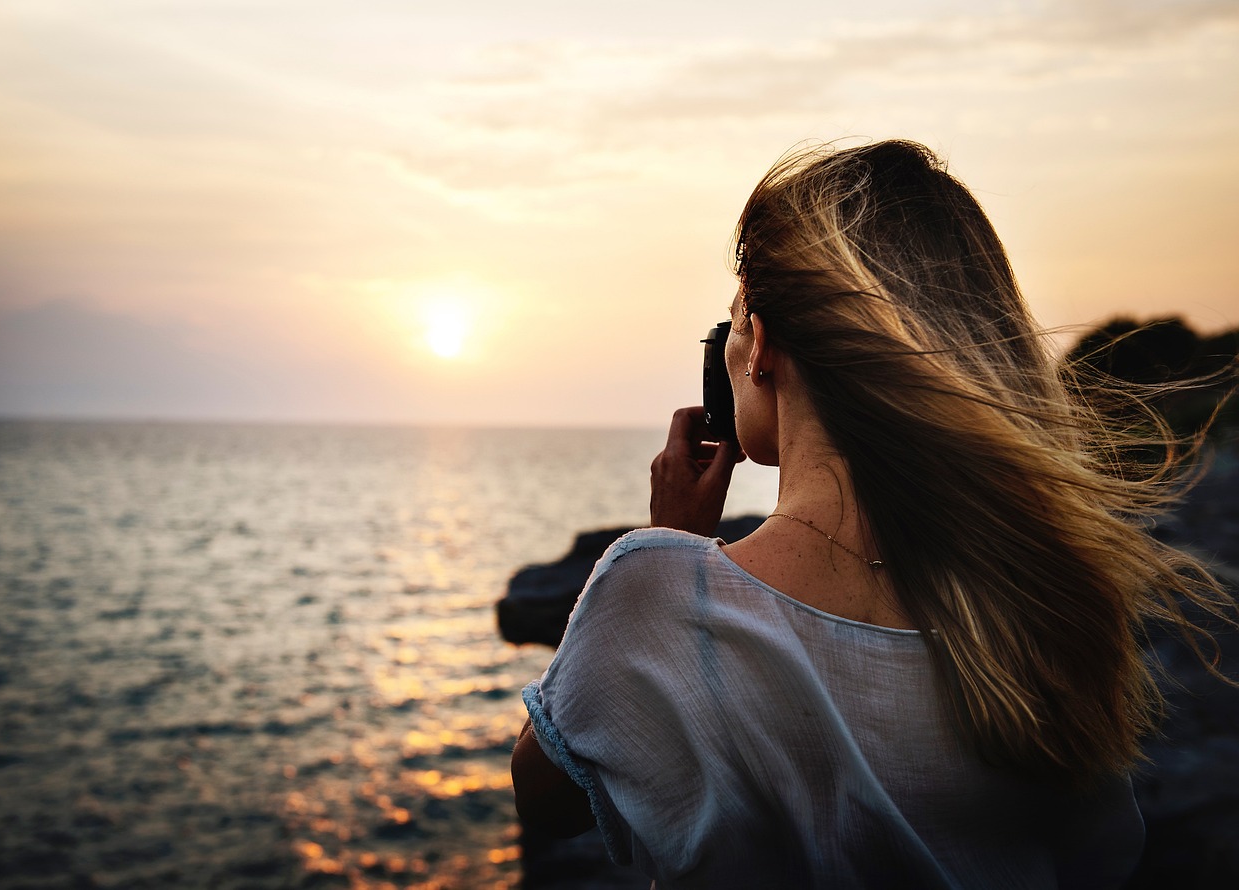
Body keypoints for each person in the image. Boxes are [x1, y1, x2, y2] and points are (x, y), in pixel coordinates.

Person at [511, 140, 1235, 887]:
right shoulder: (1046, 601)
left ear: (760, 346)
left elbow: (545, 798)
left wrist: (671, 542)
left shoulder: (654, 588)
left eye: (734, 320)